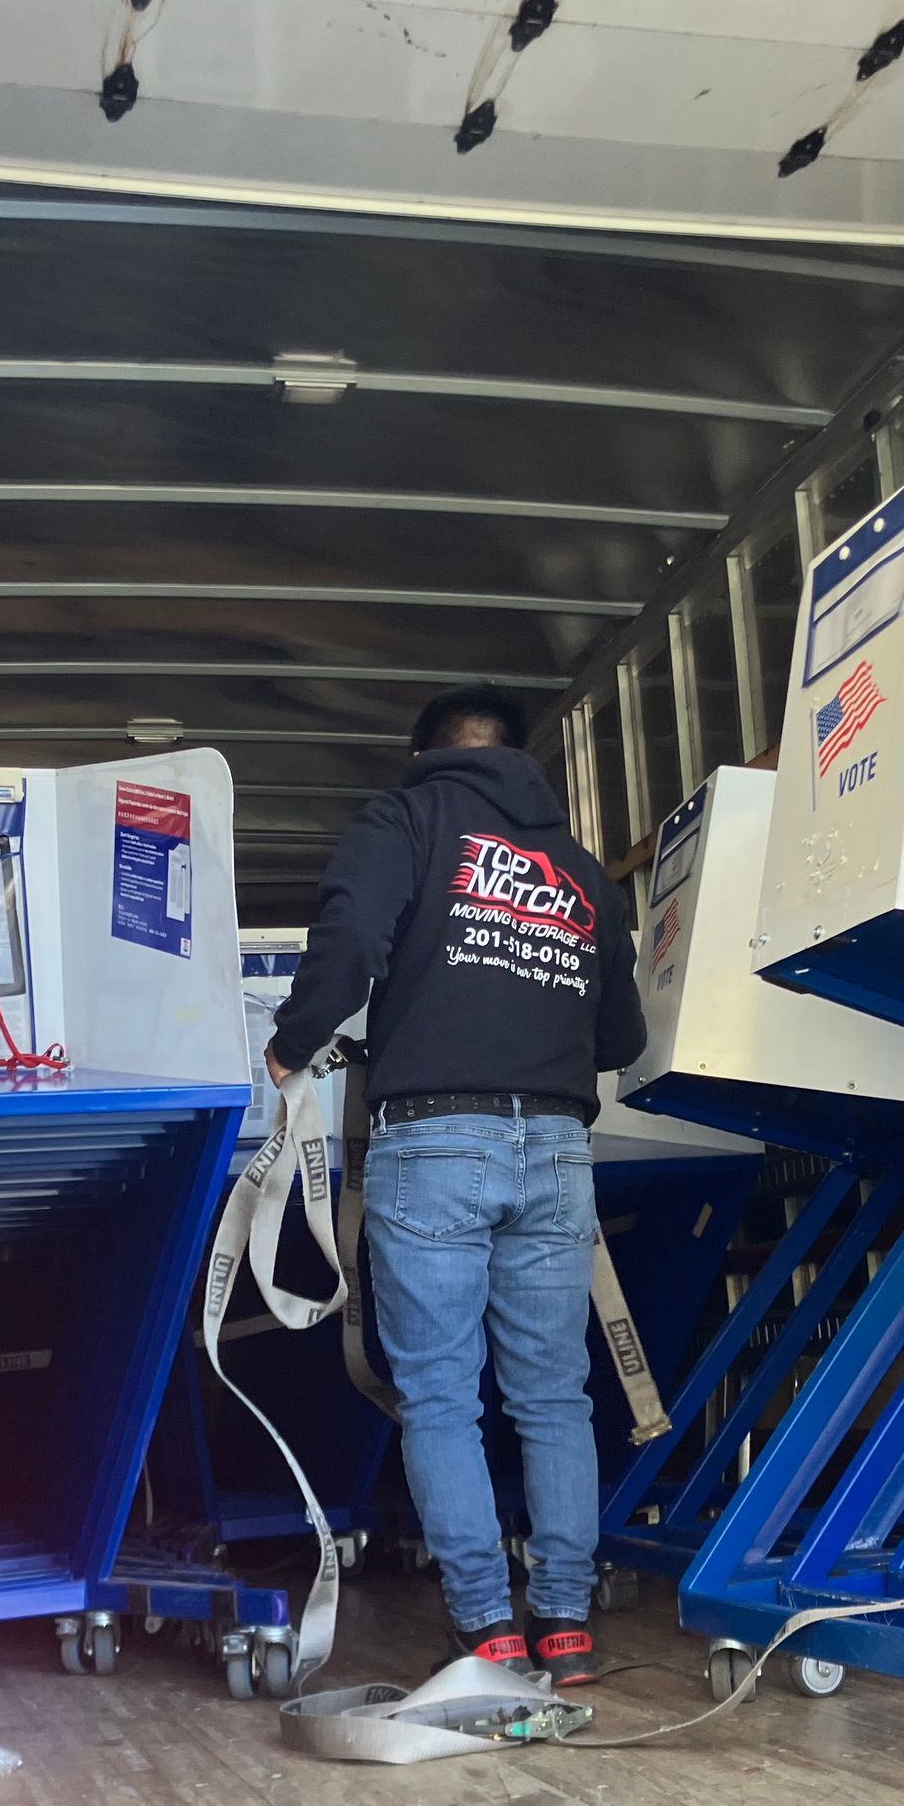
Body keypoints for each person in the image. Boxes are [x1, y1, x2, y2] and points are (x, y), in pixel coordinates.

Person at [265, 682, 647, 1685]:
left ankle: (487, 1630)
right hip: (556, 1145)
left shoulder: (405, 818)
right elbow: (622, 1035)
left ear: (424, 756)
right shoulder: (581, 870)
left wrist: (292, 1043)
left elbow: (350, 941)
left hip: (435, 1141)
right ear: (522, 757)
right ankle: (566, 1625)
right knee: (554, 1396)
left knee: (440, 1396)